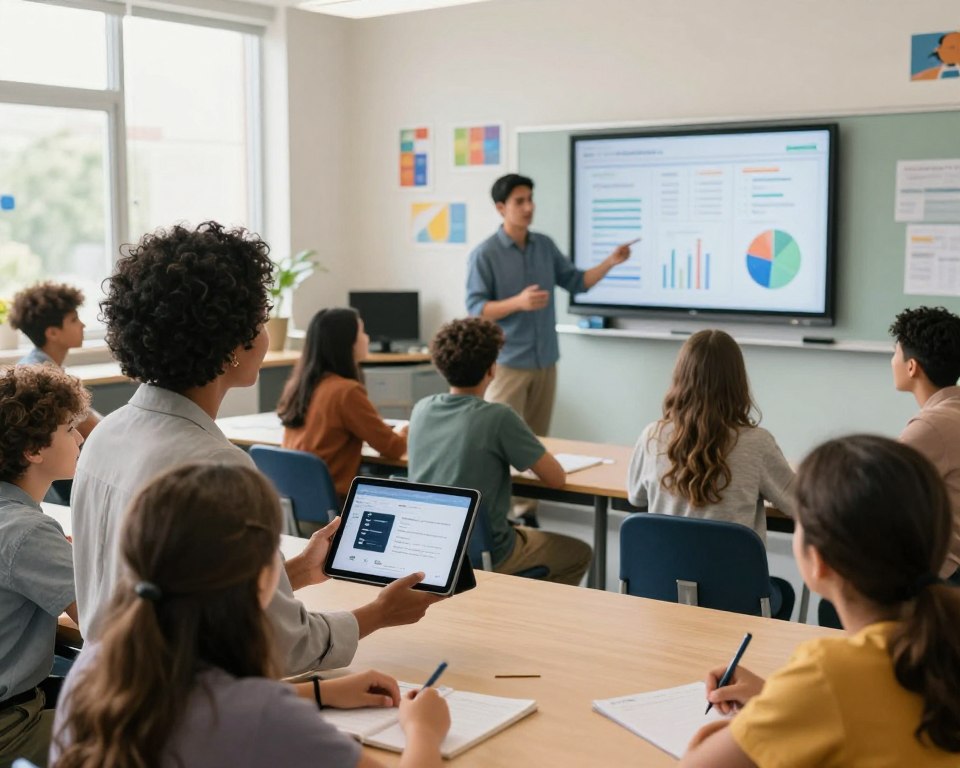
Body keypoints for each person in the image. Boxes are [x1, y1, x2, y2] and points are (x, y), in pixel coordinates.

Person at [71, 221, 438, 677]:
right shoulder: (215, 470)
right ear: (230, 345)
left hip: (106, 699)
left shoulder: (107, 435)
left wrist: (299, 570)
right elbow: (279, 645)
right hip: (184, 716)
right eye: (262, 320)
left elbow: (182, 590)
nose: (266, 335)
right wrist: (379, 613)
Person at [50, 463, 451, 768]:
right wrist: (424, 730)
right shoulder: (263, 718)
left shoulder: (97, 666)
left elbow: (193, 702)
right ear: (265, 578)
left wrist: (317, 692)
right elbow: (239, 711)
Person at [680, 435, 960, 767]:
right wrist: (779, 699)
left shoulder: (828, 674)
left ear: (819, 559)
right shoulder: (937, 649)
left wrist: (768, 712)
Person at [466, 173, 633, 524]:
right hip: (509, 363)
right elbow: (476, 307)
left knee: (535, 444)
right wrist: (518, 302)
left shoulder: (544, 245)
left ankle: (527, 515)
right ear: (501, 208)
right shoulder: (486, 254)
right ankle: (501, 517)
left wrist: (611, 262)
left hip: (545, 362)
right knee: (502, 445)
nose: (528, 207)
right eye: (519, 201)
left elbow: (577, 281)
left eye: (530, 199)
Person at [407, 317, 591, 585]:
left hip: (430, 547)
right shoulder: (498, 417)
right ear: (492, 369)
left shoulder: (422, 409)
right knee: (578, 552)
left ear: (439, 366)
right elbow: (556, 478)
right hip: (486, 550)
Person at [627, 330, 795, 616]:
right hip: (735, 601)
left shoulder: (652, 436)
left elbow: (635, 496)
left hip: (663, 595)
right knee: (783, 592)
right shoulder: (757, 443)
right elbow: (799, 504)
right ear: (738, 384)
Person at [0, 365, 88, 768]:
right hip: (11, 729)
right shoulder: (28, 531)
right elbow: (103, 618)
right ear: (33, 451)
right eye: (70, 429)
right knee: (155, 727)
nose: (81, 437)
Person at [278, 308, 407, 502]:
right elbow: (393, 448)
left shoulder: (301, 386)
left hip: (298, 506)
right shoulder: (346, 392)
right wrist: (405, 430)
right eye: (362, 332)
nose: (367, 337)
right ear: (347, 343)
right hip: (333, 510)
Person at [890, 306, 960, 582]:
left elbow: (878, 493)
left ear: (911, 366)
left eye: (895, 352)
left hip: (944, 577)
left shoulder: (932, 426)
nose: (892, 360)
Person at [9, 282, 100, 438]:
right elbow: (94, 429)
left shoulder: (40, 366)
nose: (82, 325)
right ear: (52, 333)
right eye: (74, 320)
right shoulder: (43, 380)